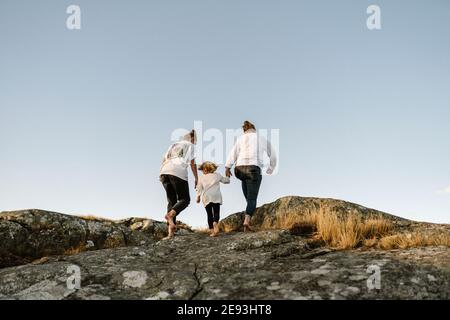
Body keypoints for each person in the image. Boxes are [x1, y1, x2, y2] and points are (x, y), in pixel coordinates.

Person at [225, 121, 277, 232]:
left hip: (239, 169)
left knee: (249, 197)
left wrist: (227, 167)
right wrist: (271, 167)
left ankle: (249, 209)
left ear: (245, 131)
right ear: (254, 129)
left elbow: (233, 153)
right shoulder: (261, 138)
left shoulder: (240, 139)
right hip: (253, 169)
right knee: (252, 198)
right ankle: (247, 220)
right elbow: (272, 154)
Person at [159, 130, 198, 239]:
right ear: (192, 139)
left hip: (164, 172)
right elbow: (193, 164)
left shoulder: (173, 145)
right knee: (185, 199)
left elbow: (163, 159)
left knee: (171, 201)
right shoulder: (190, 145)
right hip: (177, 171)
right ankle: (170, 215)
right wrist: (196, 178)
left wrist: (162, 174)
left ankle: (170, 232)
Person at [196, 161, 230, 237]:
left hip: (206, 197)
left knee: (209, 214)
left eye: (203, 170)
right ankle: (215, 222)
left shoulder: (201, 177)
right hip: (216, 196)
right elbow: (226, 181)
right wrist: (227, 176)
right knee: (216, 212)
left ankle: (212, 231)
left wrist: (198, 196)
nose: (203, 171)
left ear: (206, 169)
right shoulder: (217, 175)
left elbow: (199, 188)